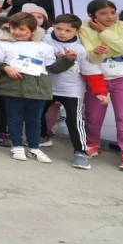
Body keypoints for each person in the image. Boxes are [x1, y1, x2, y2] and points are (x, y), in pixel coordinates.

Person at [0, 12, 70, 164]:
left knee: (34, 119)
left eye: (23, 29)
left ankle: (34, 147)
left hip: (38, 88)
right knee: (15, 118)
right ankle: (17, 146)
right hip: (13, 87)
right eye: (14, 28)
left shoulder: (44, 47)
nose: (18, 33)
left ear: (32, 31)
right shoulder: (3, 44)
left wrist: (68, 60)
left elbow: (53, 68)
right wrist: (6, 68)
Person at [78, 0, 123, 172]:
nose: (110, 17)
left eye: (112, 12)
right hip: (97, 75)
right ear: (92, 15)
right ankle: (92, 143)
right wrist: (97, 53)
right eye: (103, 13)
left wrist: (104, 32)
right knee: (93, 114)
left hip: (121, 75)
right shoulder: (84, 28)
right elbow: (91, 57)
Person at [44, 14, 95, 169]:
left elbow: (89, 71)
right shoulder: (45, 41)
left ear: (77, 32)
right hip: (47, 87)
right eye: (59, 28)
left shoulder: (80, 48)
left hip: (72, 90)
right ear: (52, 26)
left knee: (74, 120)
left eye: (68, 30)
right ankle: (40, 138)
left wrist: (99, 91)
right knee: (37, 113)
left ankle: (81, 152)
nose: (62, 33)